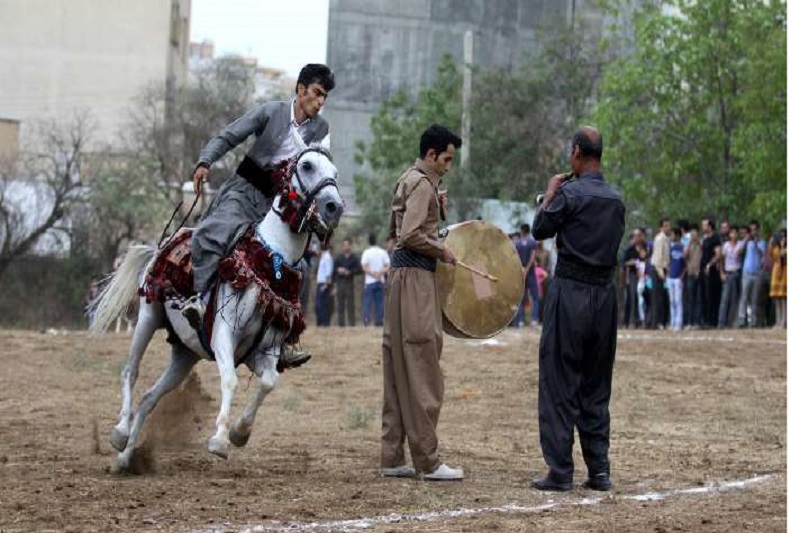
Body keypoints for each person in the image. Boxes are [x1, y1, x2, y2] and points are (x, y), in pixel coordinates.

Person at [182, 63, 335, 330]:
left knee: (296, 265)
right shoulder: (270, 111)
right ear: (301, 90)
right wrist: (205, 161)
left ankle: (284, 335)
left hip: (281, 205)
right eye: (318, 93)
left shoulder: (322, 130)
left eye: (325, 97)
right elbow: (229, 136)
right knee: (212, 234)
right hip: (244, 191)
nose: (321, 101)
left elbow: (320, 171)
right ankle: (199, 300)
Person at [531, 126, 625, 492]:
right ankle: (599, 470)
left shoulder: (568, 194)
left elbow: (540, 228)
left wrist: (550, 193)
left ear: (575, 152)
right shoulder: (616, 199)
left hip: (570, 291)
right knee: (596, 384)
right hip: (605, 296)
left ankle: (560, 471)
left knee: (559, 380)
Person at [380, 124, 462, 482]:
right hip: (415, 281)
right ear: (432, 155)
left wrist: (434, 209)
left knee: (398, 364)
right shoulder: (423, 184)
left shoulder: (408, 179)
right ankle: (428, 461)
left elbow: (395, 232)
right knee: (422, 361)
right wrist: (441, 249)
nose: (448, 166)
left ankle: (393, 456)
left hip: (400, 281)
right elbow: (411, 236)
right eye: (446, 159)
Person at [737, 220, 766, 328]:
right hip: (747, 272)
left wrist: (755, 242)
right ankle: (741, 319)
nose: (753, 232)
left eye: (755, 230)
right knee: (744, 297)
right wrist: (746, 239)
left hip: (756, 272)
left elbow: (761, 254)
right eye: (751, 230)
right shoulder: (747, 242)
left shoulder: (761, 242)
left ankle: (753, 320)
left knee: (754, 298)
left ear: (758, 230)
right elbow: (739, 252)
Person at [361, 233, 391, 326]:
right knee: (379, 302)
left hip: (369, 281)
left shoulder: (366, 252)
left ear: (369, 241)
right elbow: (388, 265)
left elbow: (364, 266)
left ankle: (366, 320)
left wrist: (372, 274)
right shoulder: (383, 252)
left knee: (367, 302)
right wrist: (380, 273)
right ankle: (379, 321)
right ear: (376, 240)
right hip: (380, 280)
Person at [718, 225, 744, 328]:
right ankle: (721, 322)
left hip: (736, 272)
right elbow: (722, 260)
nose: (734, 235)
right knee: (725, 298)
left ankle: (731, 322)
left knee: (734, 298)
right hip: (728, 273)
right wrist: (721, 272)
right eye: (732, 233)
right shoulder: (726, 245)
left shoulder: (740, 244)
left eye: (735, 233)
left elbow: (740, 252)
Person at [514, 223, 539, 327]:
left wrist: (522, 270)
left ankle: (521, 321)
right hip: (531, 273)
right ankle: (534, 320)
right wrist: (527, 270)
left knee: (521, 297)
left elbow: (515, 258)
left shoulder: (518, 243)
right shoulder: (532, 242)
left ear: (522, 231)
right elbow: (533, 258)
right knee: (535, 297)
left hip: (521, 273)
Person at [699, 218, 722, 328]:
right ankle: (705, 319)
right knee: (704, 295)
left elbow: (718, 254)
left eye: (704, 225)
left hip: (712, 271)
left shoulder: (715, 238)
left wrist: (710, 264)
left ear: (710, 226)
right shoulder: (704, 239)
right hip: (703, 269)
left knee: (711, 295)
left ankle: (712, 320)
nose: (703, 227)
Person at [648, 218, 671, 330]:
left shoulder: (667, 239)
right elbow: (657, 257)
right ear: (661, 227)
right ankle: (655, 323)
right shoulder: (659, 238)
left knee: (661, 297)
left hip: (663, 269)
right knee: (657, 297)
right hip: (657, 269)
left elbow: (666, 257)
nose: (668, 228)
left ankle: (660, 321)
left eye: (668, 225)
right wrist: (660, 271)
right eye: (665, 226)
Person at [333, 237, 361, 327]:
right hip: (340, 283)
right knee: (340, 305)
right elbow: (333, 270)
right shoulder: (339, 258)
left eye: (347, 245)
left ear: (350, 246)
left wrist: (350, 272)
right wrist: (338, 270)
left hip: (349, 283)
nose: (345, 247)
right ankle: (341, 325)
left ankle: (352, 325)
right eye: (344, 245)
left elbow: (359, 270)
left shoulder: (354, 258)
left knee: (350, 305)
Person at [683, 225, 703, 329]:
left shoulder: (700, 244)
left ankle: (697, 322)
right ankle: (689, 322)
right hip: (690, 274)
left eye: (695, 234)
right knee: (690, 299)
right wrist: (689, 243)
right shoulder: (688, 245)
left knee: (698, 299)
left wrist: (698, 242)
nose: (694, 236)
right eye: (692, 235)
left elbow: (704, 253)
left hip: (699, 274)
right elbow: (684, 256)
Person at [667, 228, 685, 331]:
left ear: (677, 236)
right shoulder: (671, 248)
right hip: (670, 277)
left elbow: (685, 264)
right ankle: (672, 321)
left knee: (678, 300)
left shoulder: (682, 247)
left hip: (678, 277)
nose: (671, 237)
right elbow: (669, 262)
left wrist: (682, 275)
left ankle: (679, 322)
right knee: (672, 300)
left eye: (673, 235)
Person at [769, 229, 787, 329]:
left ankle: (784, 321)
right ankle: (778, 320)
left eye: (784, 236)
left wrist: (783, 246)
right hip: (776, 272)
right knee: (777, 298)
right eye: (780, 236)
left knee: (784, 298)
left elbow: (782, 255)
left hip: (785, 271)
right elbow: (771, 256)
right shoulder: (775, 247)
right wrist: (771, 244)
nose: (782, 238)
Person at [315, 242, 334, 327]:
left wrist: (326, 285)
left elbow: (328, 272)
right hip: (320, 282)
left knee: (323, 304)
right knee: (319, 304)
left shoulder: (327, 257)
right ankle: (321, 322)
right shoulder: (323, 256)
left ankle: (325, 323)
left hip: (324, 283)